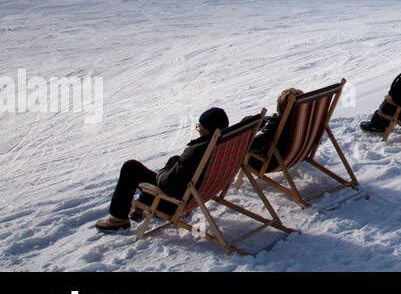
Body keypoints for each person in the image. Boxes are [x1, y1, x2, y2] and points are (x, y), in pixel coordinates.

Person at [94, 106, 229, 231]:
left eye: (199, 127)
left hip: (173, 204)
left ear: (206, 130)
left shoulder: (196, 152)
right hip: (198, 193)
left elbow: (167, 184)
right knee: (174, 159)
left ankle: (118, 219)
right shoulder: (225, 144)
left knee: (131, 168)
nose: (198, 129)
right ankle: (142, 202)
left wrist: (164, 171)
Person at [247, 88, 304, 165]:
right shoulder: (304, 123)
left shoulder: (276, 126)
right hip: (295, 156)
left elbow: (253, 146)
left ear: (280, 106)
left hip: (270, 162)